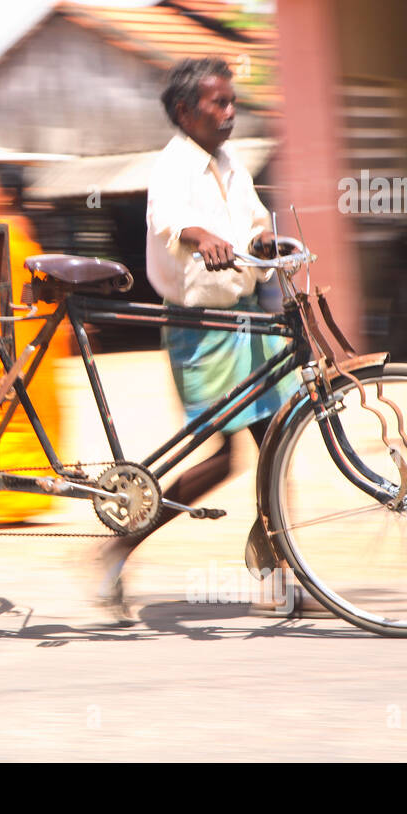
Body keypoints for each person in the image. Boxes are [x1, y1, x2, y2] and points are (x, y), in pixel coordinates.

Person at [95, 56, 311, 623]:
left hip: (245, 319)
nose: (230, 112)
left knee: (275, 444)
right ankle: (119, 549)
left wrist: (264, 239)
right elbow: (171, 222)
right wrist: (203, 237)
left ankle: (278, 572)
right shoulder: (174, 164)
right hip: (201, 329)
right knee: (222, 457)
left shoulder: (229, 161)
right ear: (187, 111)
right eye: (219, 103)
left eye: (233, 102)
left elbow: (254, 218)